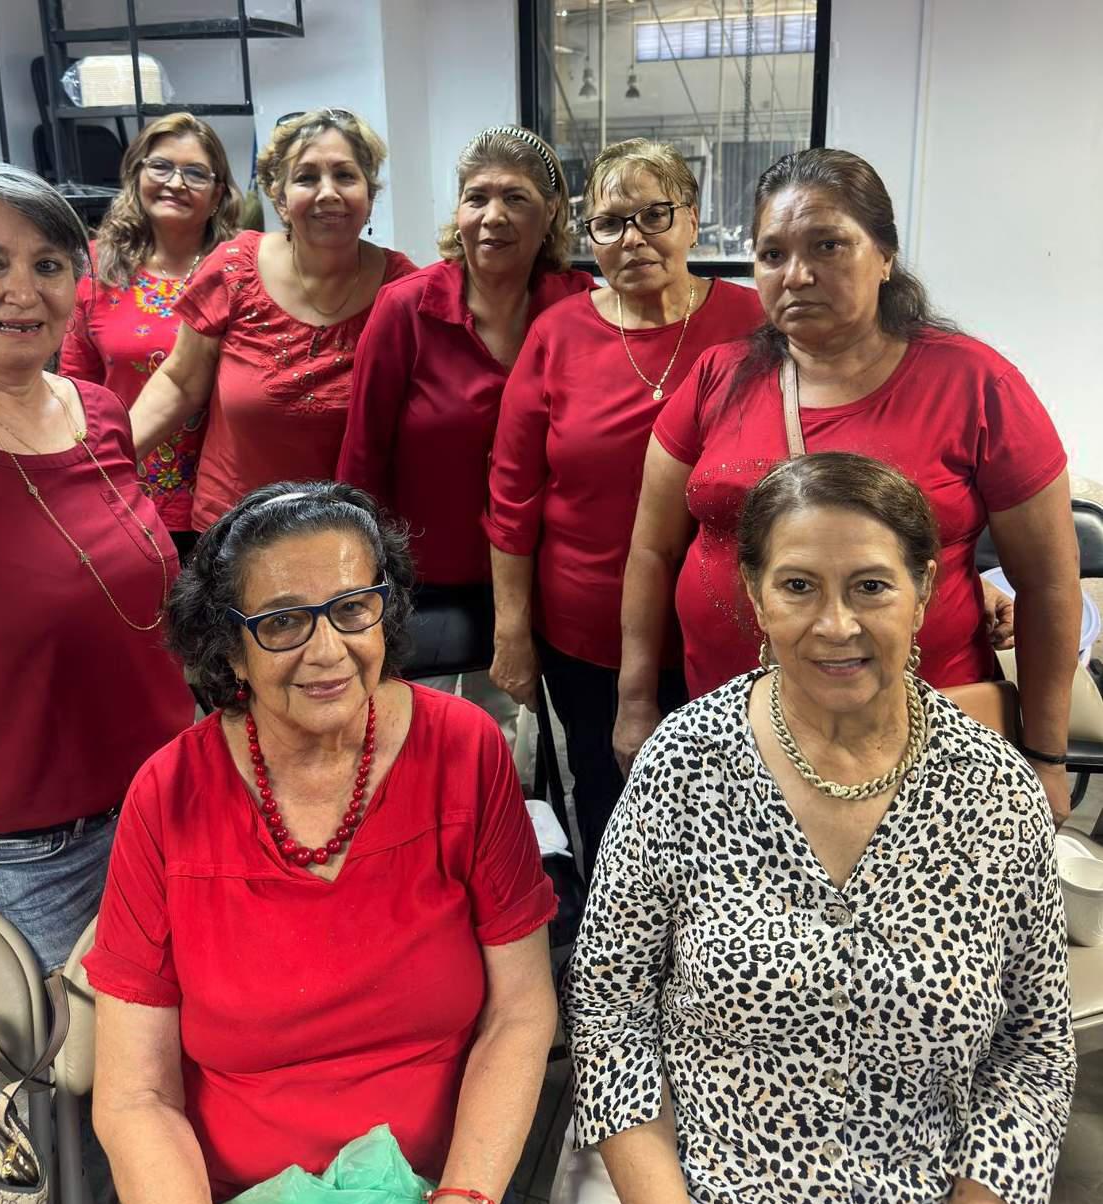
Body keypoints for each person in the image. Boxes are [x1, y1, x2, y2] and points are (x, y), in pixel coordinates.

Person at [562, 452, 1076, 1204]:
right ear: (756, 598)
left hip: (928, 1194)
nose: (836, 626)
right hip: (697, 1185)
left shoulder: (995, 793)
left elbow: (1031, 1051)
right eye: (798, 587)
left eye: (870, 586)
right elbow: (610, 1007)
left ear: (922, 591)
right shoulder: (685, 763)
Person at [86, 482, 557, 1204]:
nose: (328, 651)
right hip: (230, 1198)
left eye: (350, 608)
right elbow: (136, 1094)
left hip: (442, 1189)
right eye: (281, 623)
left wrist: (463, 1200)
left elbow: (521, 1012)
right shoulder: (168, 794)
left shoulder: (465, 751)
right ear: (228, 651)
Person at [613, 147, 1079, 823]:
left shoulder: (975, 385)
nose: (796, 275)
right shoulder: (717, 377)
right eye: (771, 254)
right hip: (731, 728)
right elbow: (652, 550)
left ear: (884, 256)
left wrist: (1043, 756)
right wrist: (634, 703)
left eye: (827, 245)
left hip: (916, 739)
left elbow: (1048, 584)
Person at [0, 161, 194, 981]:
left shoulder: (98, 412)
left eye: (48, 264)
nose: (22, 292)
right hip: (21, 854)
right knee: (60, 1089)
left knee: (171, 1054)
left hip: (164, 803)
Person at [485, 139, 765, 879]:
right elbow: (511, 492)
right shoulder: (559, 334)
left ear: (694, 220)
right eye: (609, 224)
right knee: (611, 794)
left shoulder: (755, 323)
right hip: (587, 625)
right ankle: (616, 954)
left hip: (730, 624)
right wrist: (512, 627)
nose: (633, 238)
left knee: (729, 806)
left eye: (653, 214)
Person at [336, 126, 594, 740]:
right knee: (404, 738)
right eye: (477, 198)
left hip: (535, 582)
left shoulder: (580, 308)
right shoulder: (407, 308)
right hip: (414, 583)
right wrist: (357, 581)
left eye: (517, 198)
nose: (493, 217)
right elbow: (361, 457)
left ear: (552, 212)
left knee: (501, 737)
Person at [126, 108, 416, 532]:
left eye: (345, 176)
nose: (328, 193)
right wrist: (103, 464)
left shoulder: (402, 288)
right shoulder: (233, 268)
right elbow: (180, 381)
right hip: (236, 533)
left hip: (349, 537)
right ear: (279, 196)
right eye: (307, 177)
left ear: (369, 195)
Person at [59, 113, 243, 560]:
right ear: (136, 174)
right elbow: (74, 391)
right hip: (123, 490)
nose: (175, 183)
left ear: (217, 193)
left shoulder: (243, 268)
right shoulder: (96, 269)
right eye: (160, 166)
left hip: (225, 501)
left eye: (196, 172)